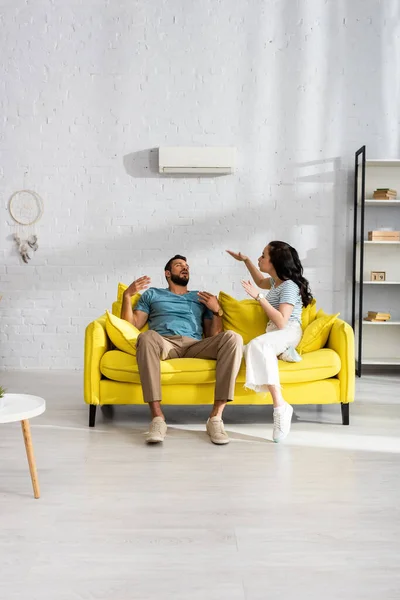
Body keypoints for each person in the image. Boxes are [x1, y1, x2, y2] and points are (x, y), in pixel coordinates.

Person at [121, 255, 243, 445]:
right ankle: (158, 419)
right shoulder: (152, 294)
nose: (185, 268)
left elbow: (214, 336)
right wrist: (127, 296)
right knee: (145, 337)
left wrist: (217, 310)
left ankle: (215, 419)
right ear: (167, 273)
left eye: (186, 266)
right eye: (179, 265)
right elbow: (132, 325)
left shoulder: (200, 297)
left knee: (233, 338)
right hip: (165, 343)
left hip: (195, 345)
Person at [227, 241, 313, 442]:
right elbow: (259, 281)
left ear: (274, 262)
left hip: (288, 330)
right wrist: (246, 260)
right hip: (275, 333)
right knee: (246, 349)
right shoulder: (275, 283)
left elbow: (283, 322)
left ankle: (280, 406)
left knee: (258, 345)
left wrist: (259, 298)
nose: (260, 258)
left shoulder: (290, 287)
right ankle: (283, 352)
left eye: (263, 256)